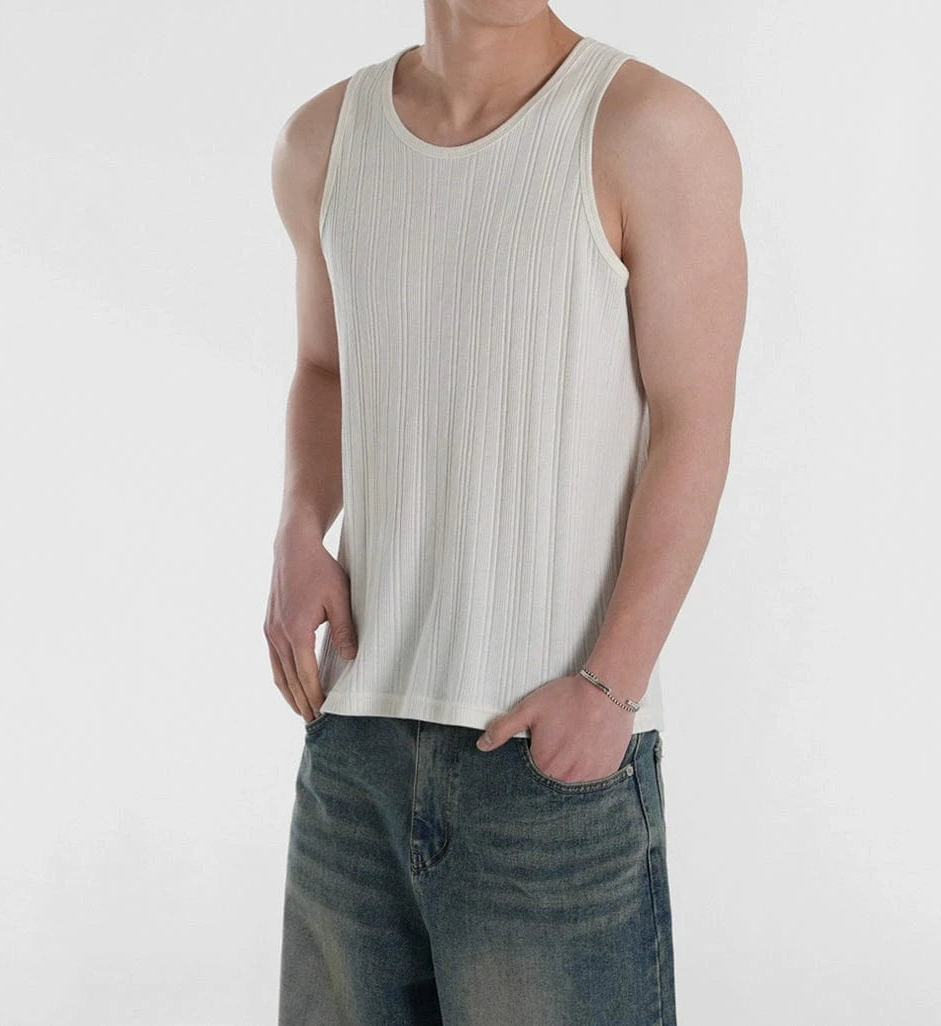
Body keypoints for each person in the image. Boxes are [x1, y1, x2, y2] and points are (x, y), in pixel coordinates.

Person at [265, 5, 746, 1023]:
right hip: (355, 743)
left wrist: (610, 686)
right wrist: (301, 530)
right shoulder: (324, 140)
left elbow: (693, 425)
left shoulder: (651, 130)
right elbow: (324, 367)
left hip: (550, 753)